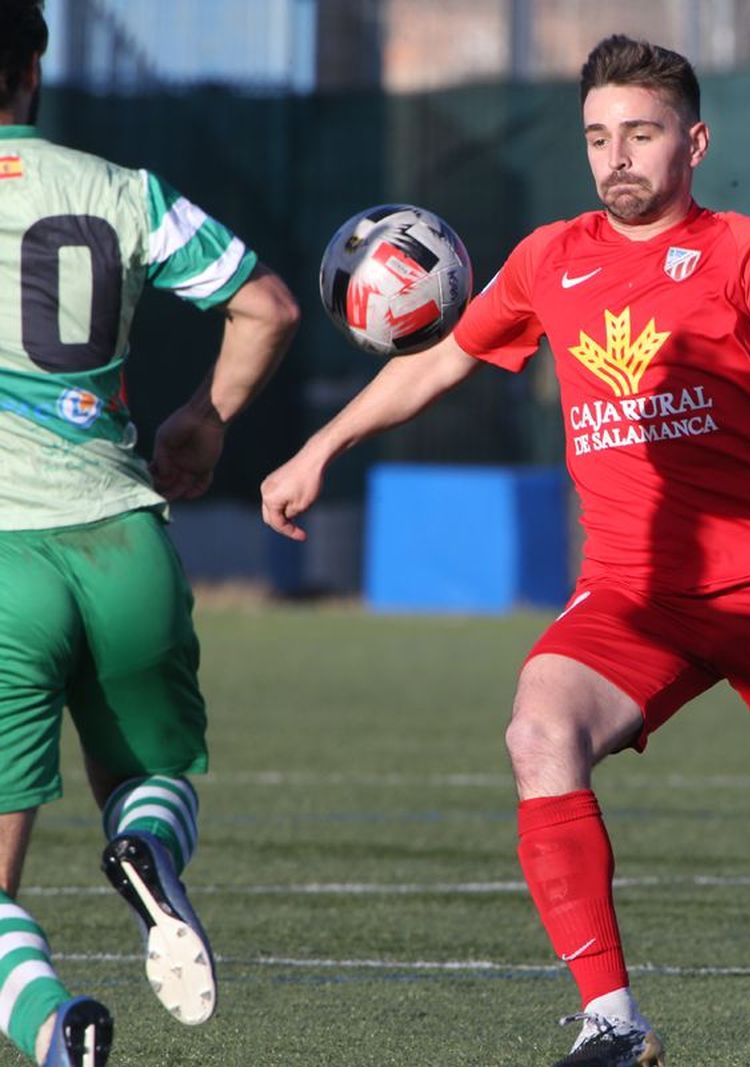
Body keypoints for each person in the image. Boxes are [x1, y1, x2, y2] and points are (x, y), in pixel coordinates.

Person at [262, 33, 750, 1067]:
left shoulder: (744, 253)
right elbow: (443, 358)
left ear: (694, 142)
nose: (617, 156)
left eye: (640, 133)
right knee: (539, 731)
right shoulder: (550, 258)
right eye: (599, 136)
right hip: (633, 593)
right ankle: (614, 1020)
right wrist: (321, 446)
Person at [0, 3, 301, 1063]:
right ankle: (144, 847)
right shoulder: (124, 190)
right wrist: (205, 420)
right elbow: (267, 306)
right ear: (32, 67)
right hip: (125, 545)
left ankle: (55, 1028)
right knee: (148, 779)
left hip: (3, 570)